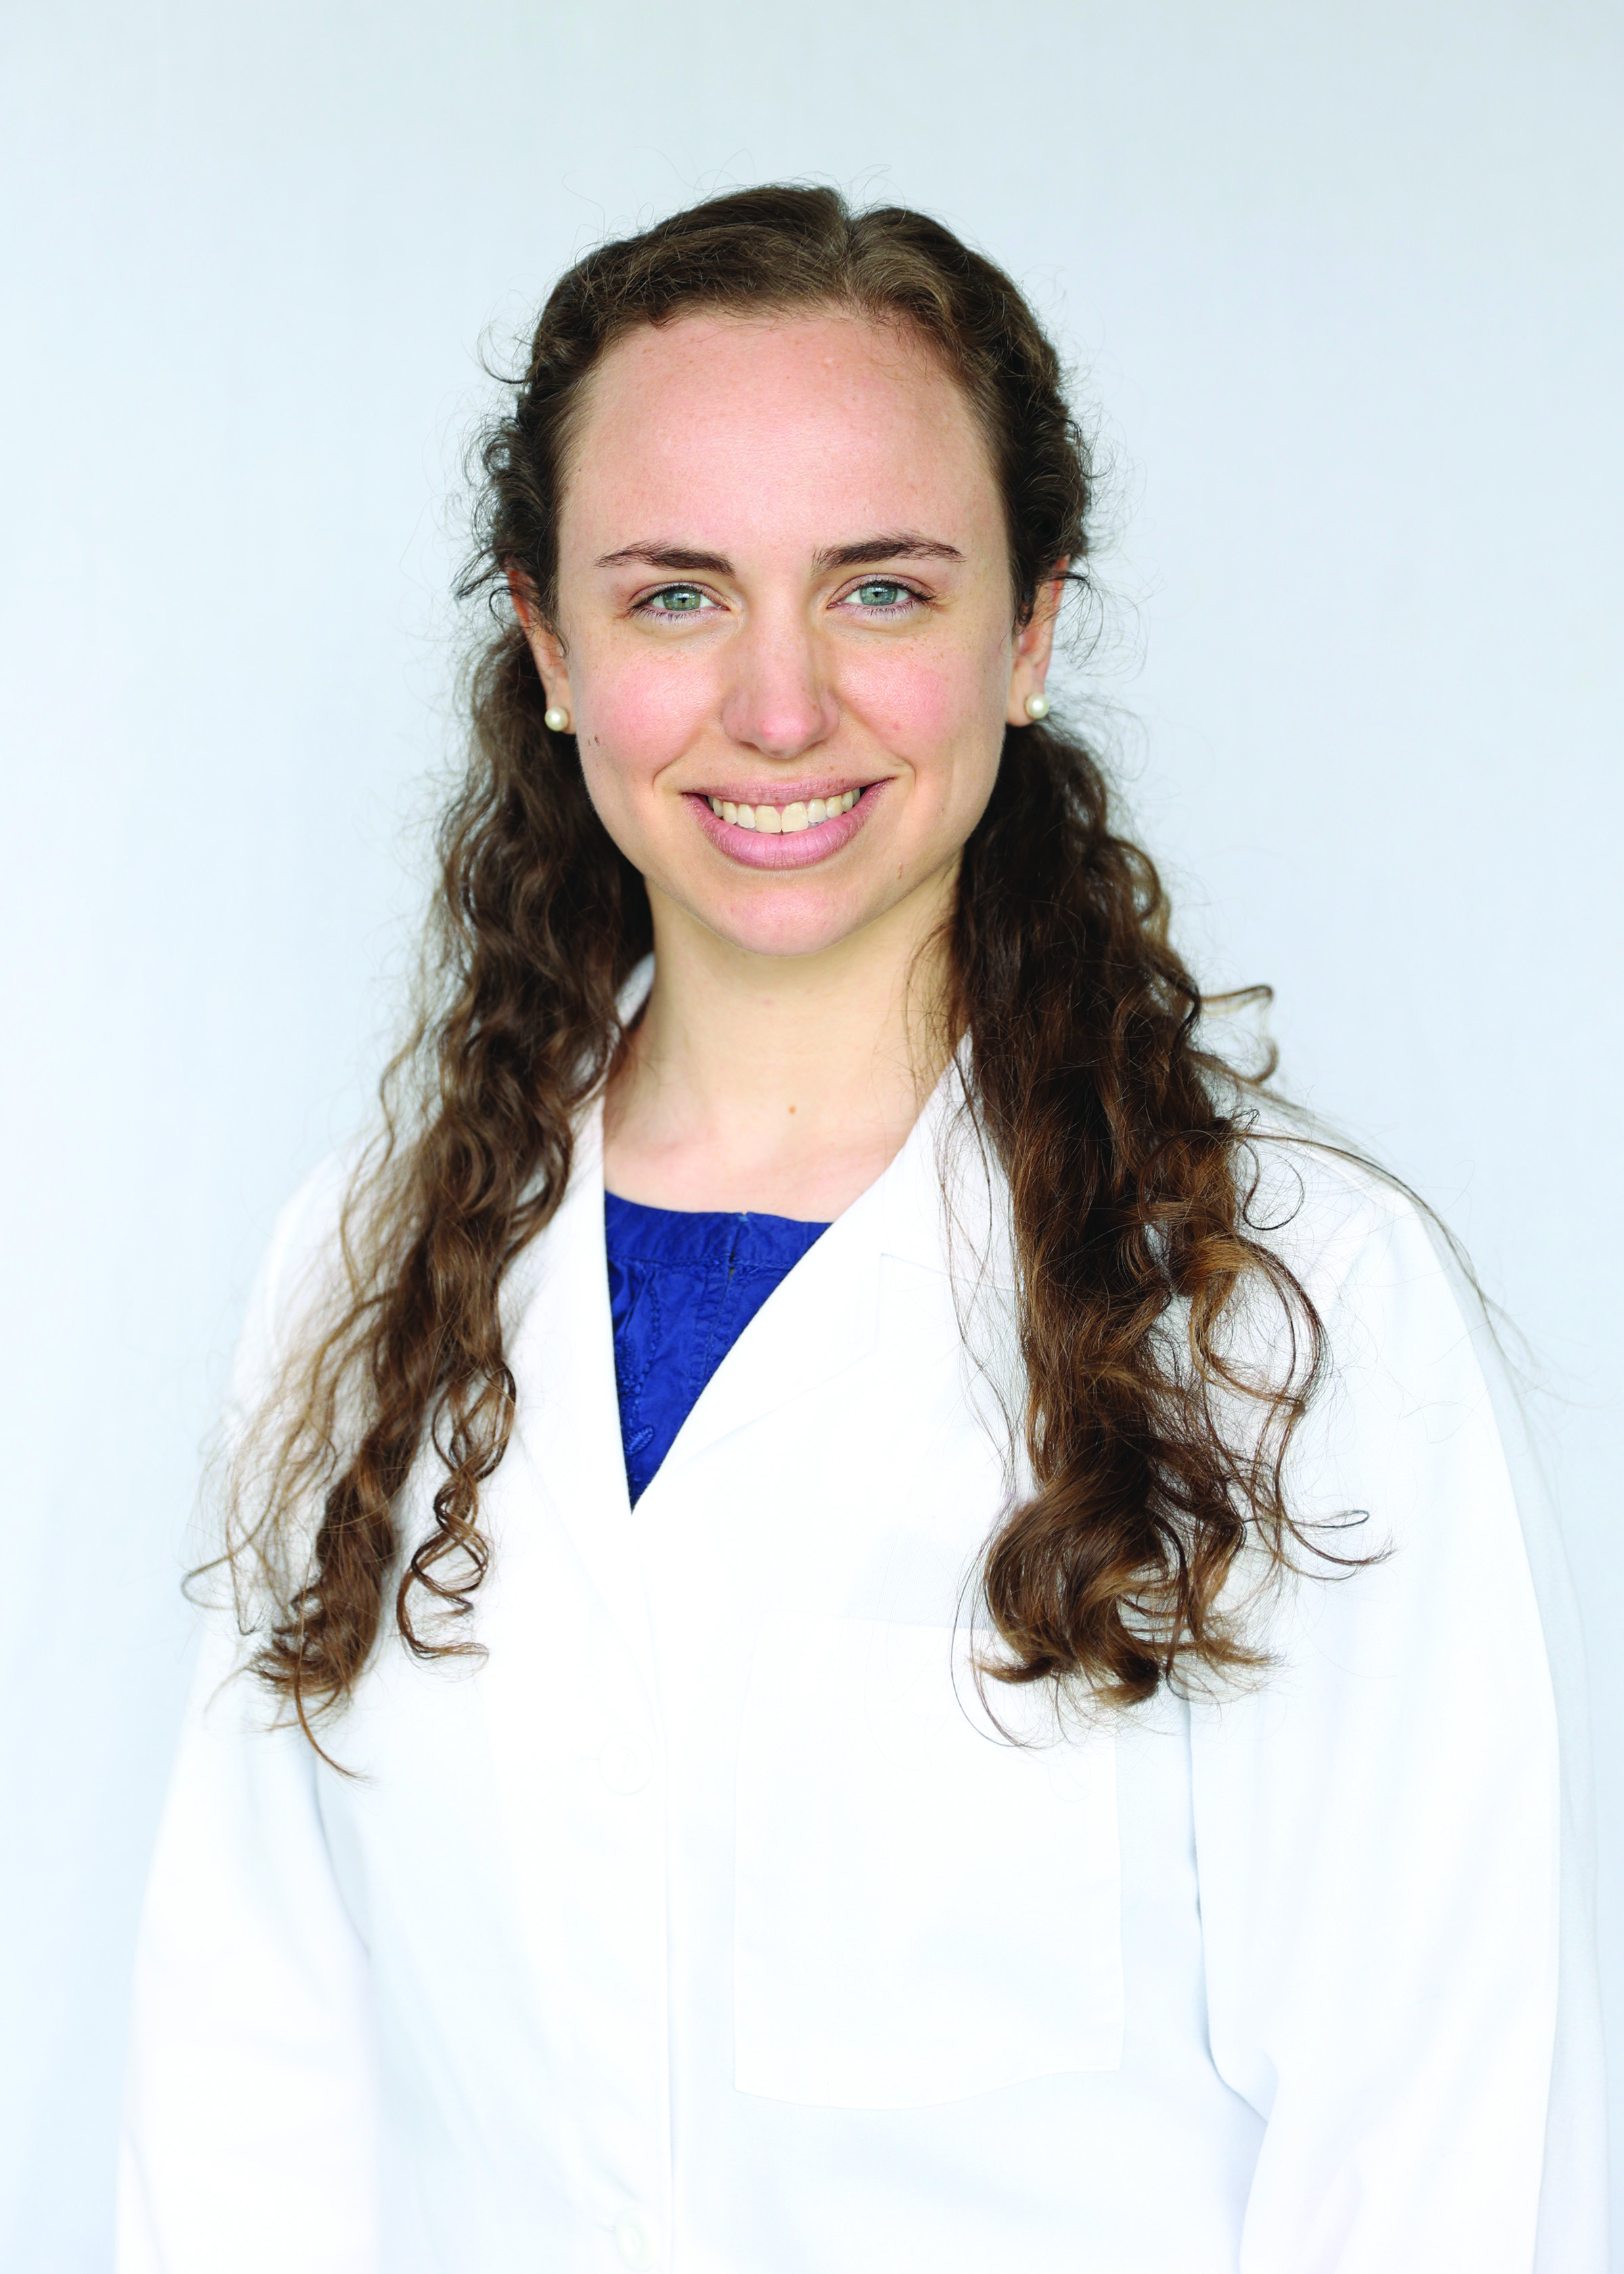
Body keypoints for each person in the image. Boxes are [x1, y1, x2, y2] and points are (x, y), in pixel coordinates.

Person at [116, 185, 1606, 2273]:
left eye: (882, 589)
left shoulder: (1278, 1313)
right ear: (550, 650)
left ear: (1031, 631)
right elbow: (246, 2091)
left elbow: (1438, 2149)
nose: (781, 705)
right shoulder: (364, 1272)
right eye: (676, 596)